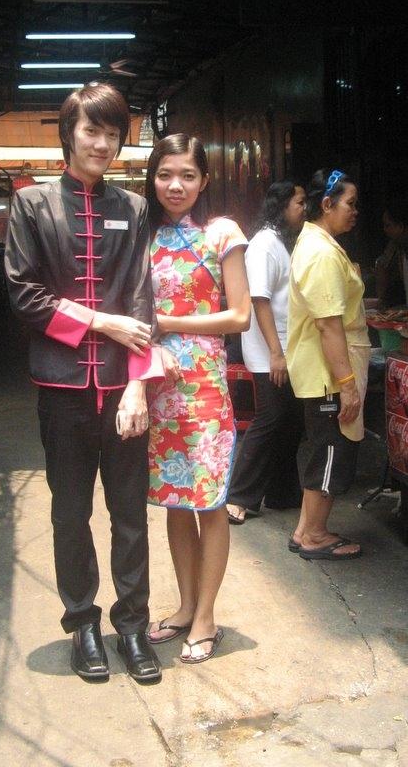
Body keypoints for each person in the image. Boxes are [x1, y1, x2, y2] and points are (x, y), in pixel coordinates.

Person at [4, 83, 170, 683]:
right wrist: (100, 321)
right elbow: (23, 295)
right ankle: (82, 626)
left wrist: (135, 386)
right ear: (69, 134)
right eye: (91, 131)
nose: (102, 143)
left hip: (122, 394)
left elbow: (143, 299)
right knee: (70, 514)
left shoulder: (132, 208)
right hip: (62, 388)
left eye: (112, 134)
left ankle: (132, 627)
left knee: (130, 515)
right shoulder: (32, 205)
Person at [144, 134, 251, 663]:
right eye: (166, 174)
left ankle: (206, 617)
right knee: (175, 503)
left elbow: (240, 316)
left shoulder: (222, 233)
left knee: (208, 503)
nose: (176, 185)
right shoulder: (146, 237)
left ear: (204, 180)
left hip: (205, 389)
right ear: (153, 177)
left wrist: (167, 322)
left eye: (187, 175)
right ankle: (185, 606)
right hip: (158, 390)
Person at [286, 169, 370, 560]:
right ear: (327, 204)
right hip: (329, 376)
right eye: (350, 204)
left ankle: (305, 529)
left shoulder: (318, 244)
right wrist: (347, 383)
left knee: (323, 446)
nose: (355, 212)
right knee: (331, 450)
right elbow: (328, 324)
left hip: (323, 373)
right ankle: (315, 536)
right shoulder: (320, 252)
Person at [226, 181, 306, 524]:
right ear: (282, 205)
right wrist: (275, 352)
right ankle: (238, 496)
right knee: (270, 418)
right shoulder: (264, 244)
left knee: (291, 419)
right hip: (270, 350)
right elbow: (259, 299)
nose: (304, 208)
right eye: (300, 202)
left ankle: (283, 492)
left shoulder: (281, 242)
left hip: (287, 347)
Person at [374, 194, 408, 309]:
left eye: (388, 225)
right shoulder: (395, 245)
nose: (385, 230)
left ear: (401, 226)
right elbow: (382, 264)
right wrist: (381, 301)